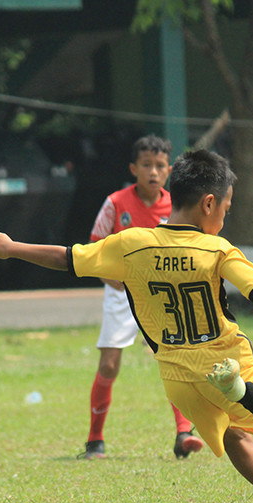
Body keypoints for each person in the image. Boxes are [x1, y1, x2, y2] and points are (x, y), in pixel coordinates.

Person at [0, 149, 253, 503]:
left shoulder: (131, 244)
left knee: (235, 437)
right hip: (226, 362)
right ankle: (241, 391)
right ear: (209, 204)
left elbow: (66, 258)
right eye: (226, 207)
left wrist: (11, 247)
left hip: (178, 378)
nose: (225, 217)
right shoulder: (217, 249)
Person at [80, 134, 203, 461]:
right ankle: (95, 440)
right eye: (146, 165)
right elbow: (95, 248)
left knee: (173, 359)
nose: (153, 171)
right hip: (122, 295)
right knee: (108, 366)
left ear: (169, 170)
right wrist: (111, 277)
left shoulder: (176, 206)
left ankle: (183, 434)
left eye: (160, 166)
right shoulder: (116, 203)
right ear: (134, 168)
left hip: (162, 296)